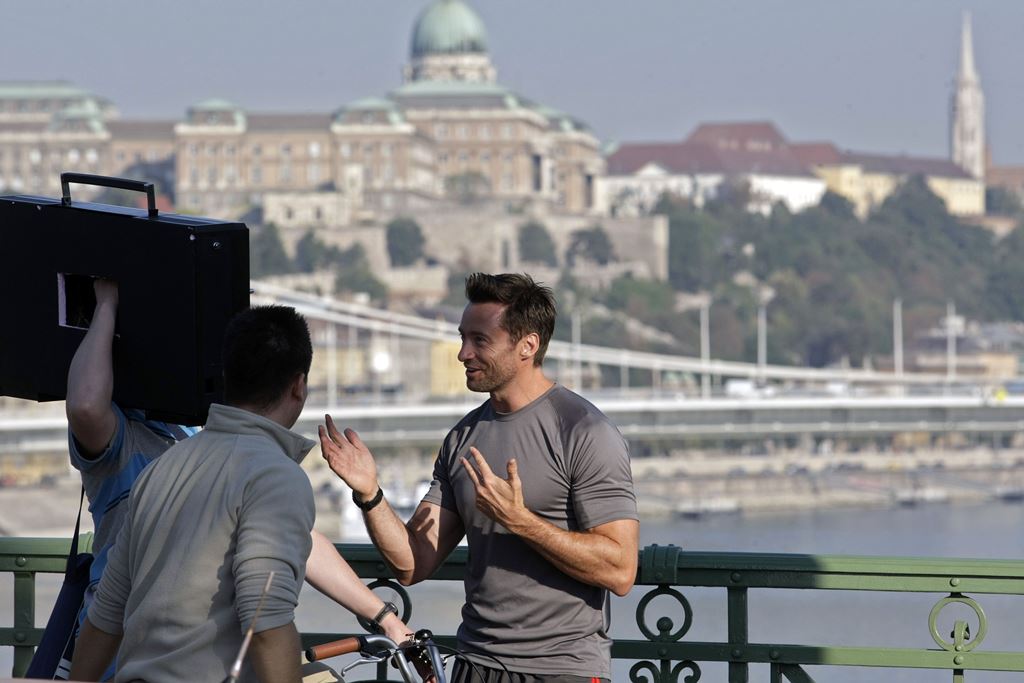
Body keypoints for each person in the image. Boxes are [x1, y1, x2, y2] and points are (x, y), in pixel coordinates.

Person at [63, 280, 410, 664]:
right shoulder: (124, 442)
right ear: (299, 386)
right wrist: (107, 303)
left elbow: (289, 536)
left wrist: (383, 617)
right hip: (150, 662)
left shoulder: (192, 444)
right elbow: (85, 405)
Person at [320, 273, 640, 683]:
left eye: (480, 341)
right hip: (473, 666)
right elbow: (413, 562)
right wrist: (369, 493)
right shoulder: (462, 438)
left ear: (528, 345)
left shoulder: (585, 432)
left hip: (561, 671)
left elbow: (620, 571)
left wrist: (520, 521)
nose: (462, 353)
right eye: (462, 337)